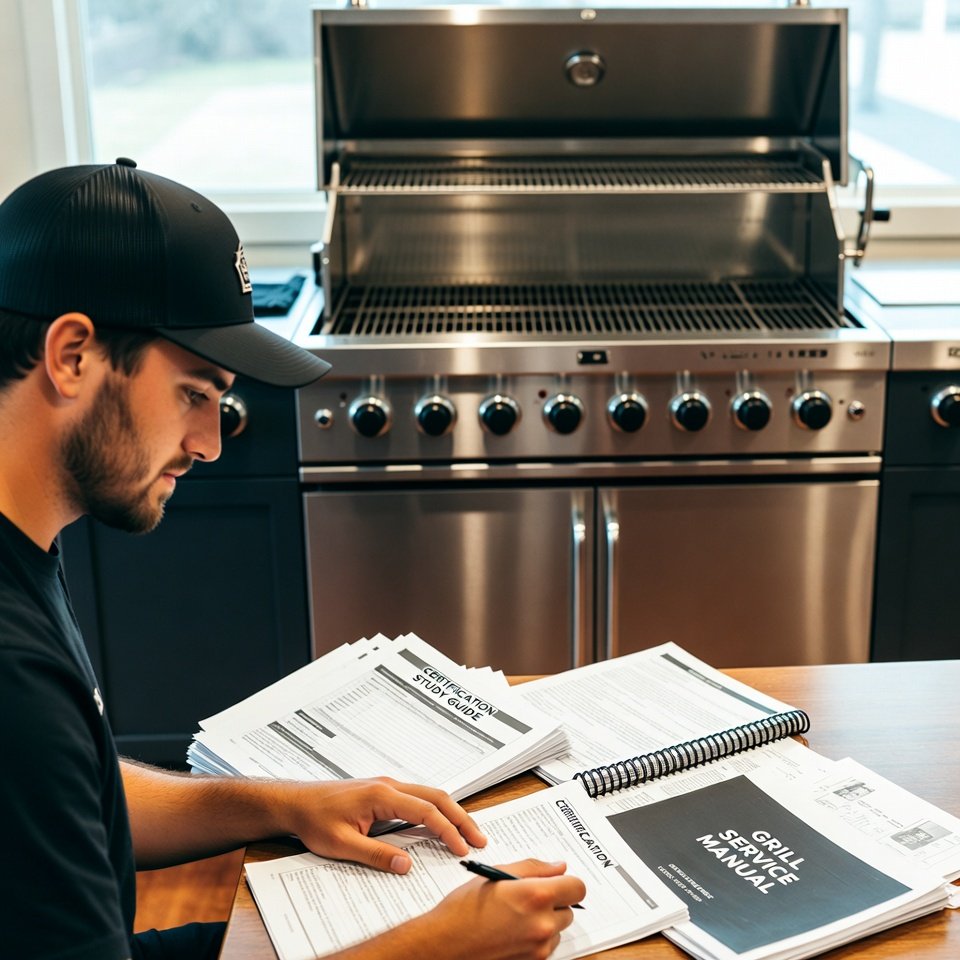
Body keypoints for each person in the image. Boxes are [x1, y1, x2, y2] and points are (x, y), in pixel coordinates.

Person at [0, 159, 585, 960]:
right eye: (194, 394)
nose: (207, 443)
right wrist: (432, 951)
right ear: (72, 355)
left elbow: (67, 796)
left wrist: (283, 804)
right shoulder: (12, 676)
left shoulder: (21, 541)